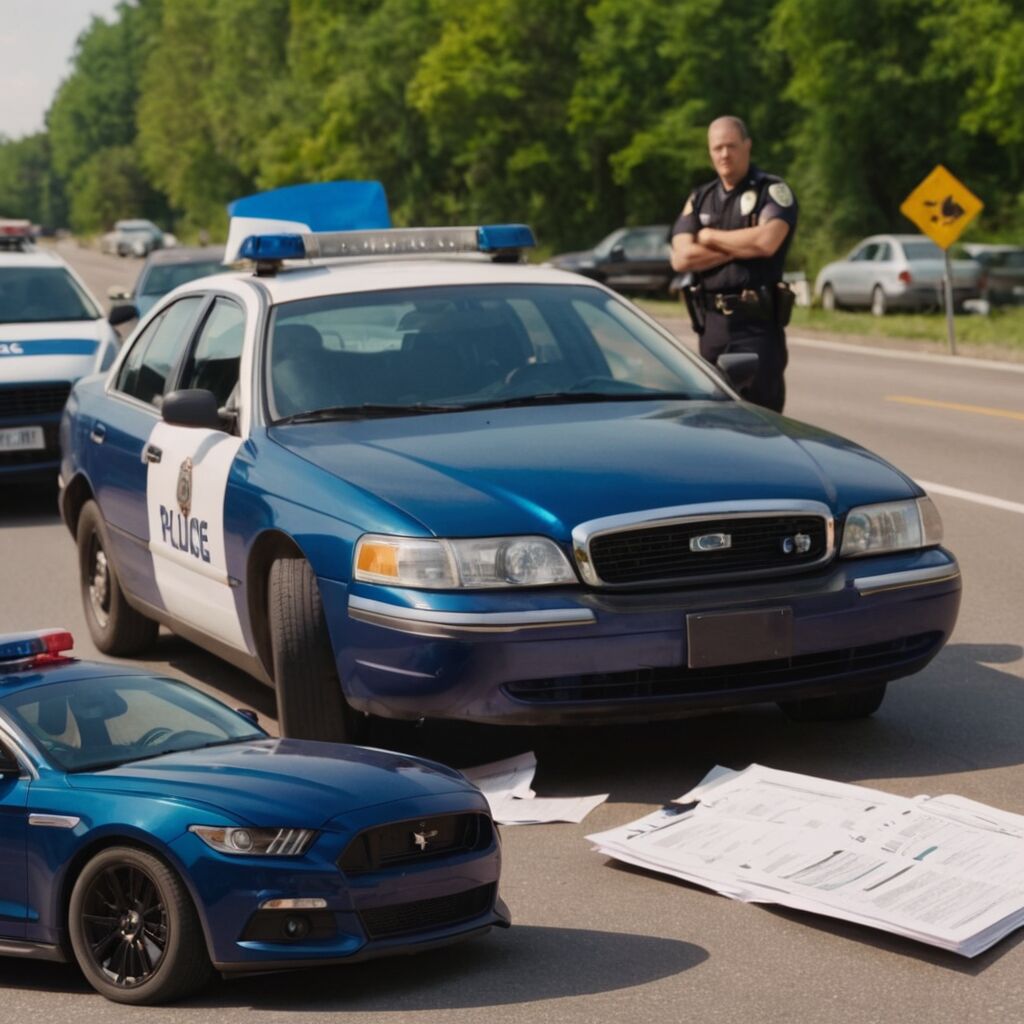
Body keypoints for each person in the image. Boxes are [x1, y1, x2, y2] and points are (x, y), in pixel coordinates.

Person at [670, 116, 798, 412]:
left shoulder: (772, 191)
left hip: (756, 325)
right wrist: (740, 246)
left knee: (759, 421)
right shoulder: (700, 198)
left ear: (747, 146)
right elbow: (681, 257)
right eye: (717, 148)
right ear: (710, 152)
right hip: (711, 327)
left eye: (731, 146)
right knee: (714, 420)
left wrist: (709, 236)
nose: (724, 154)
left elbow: (766, 242)